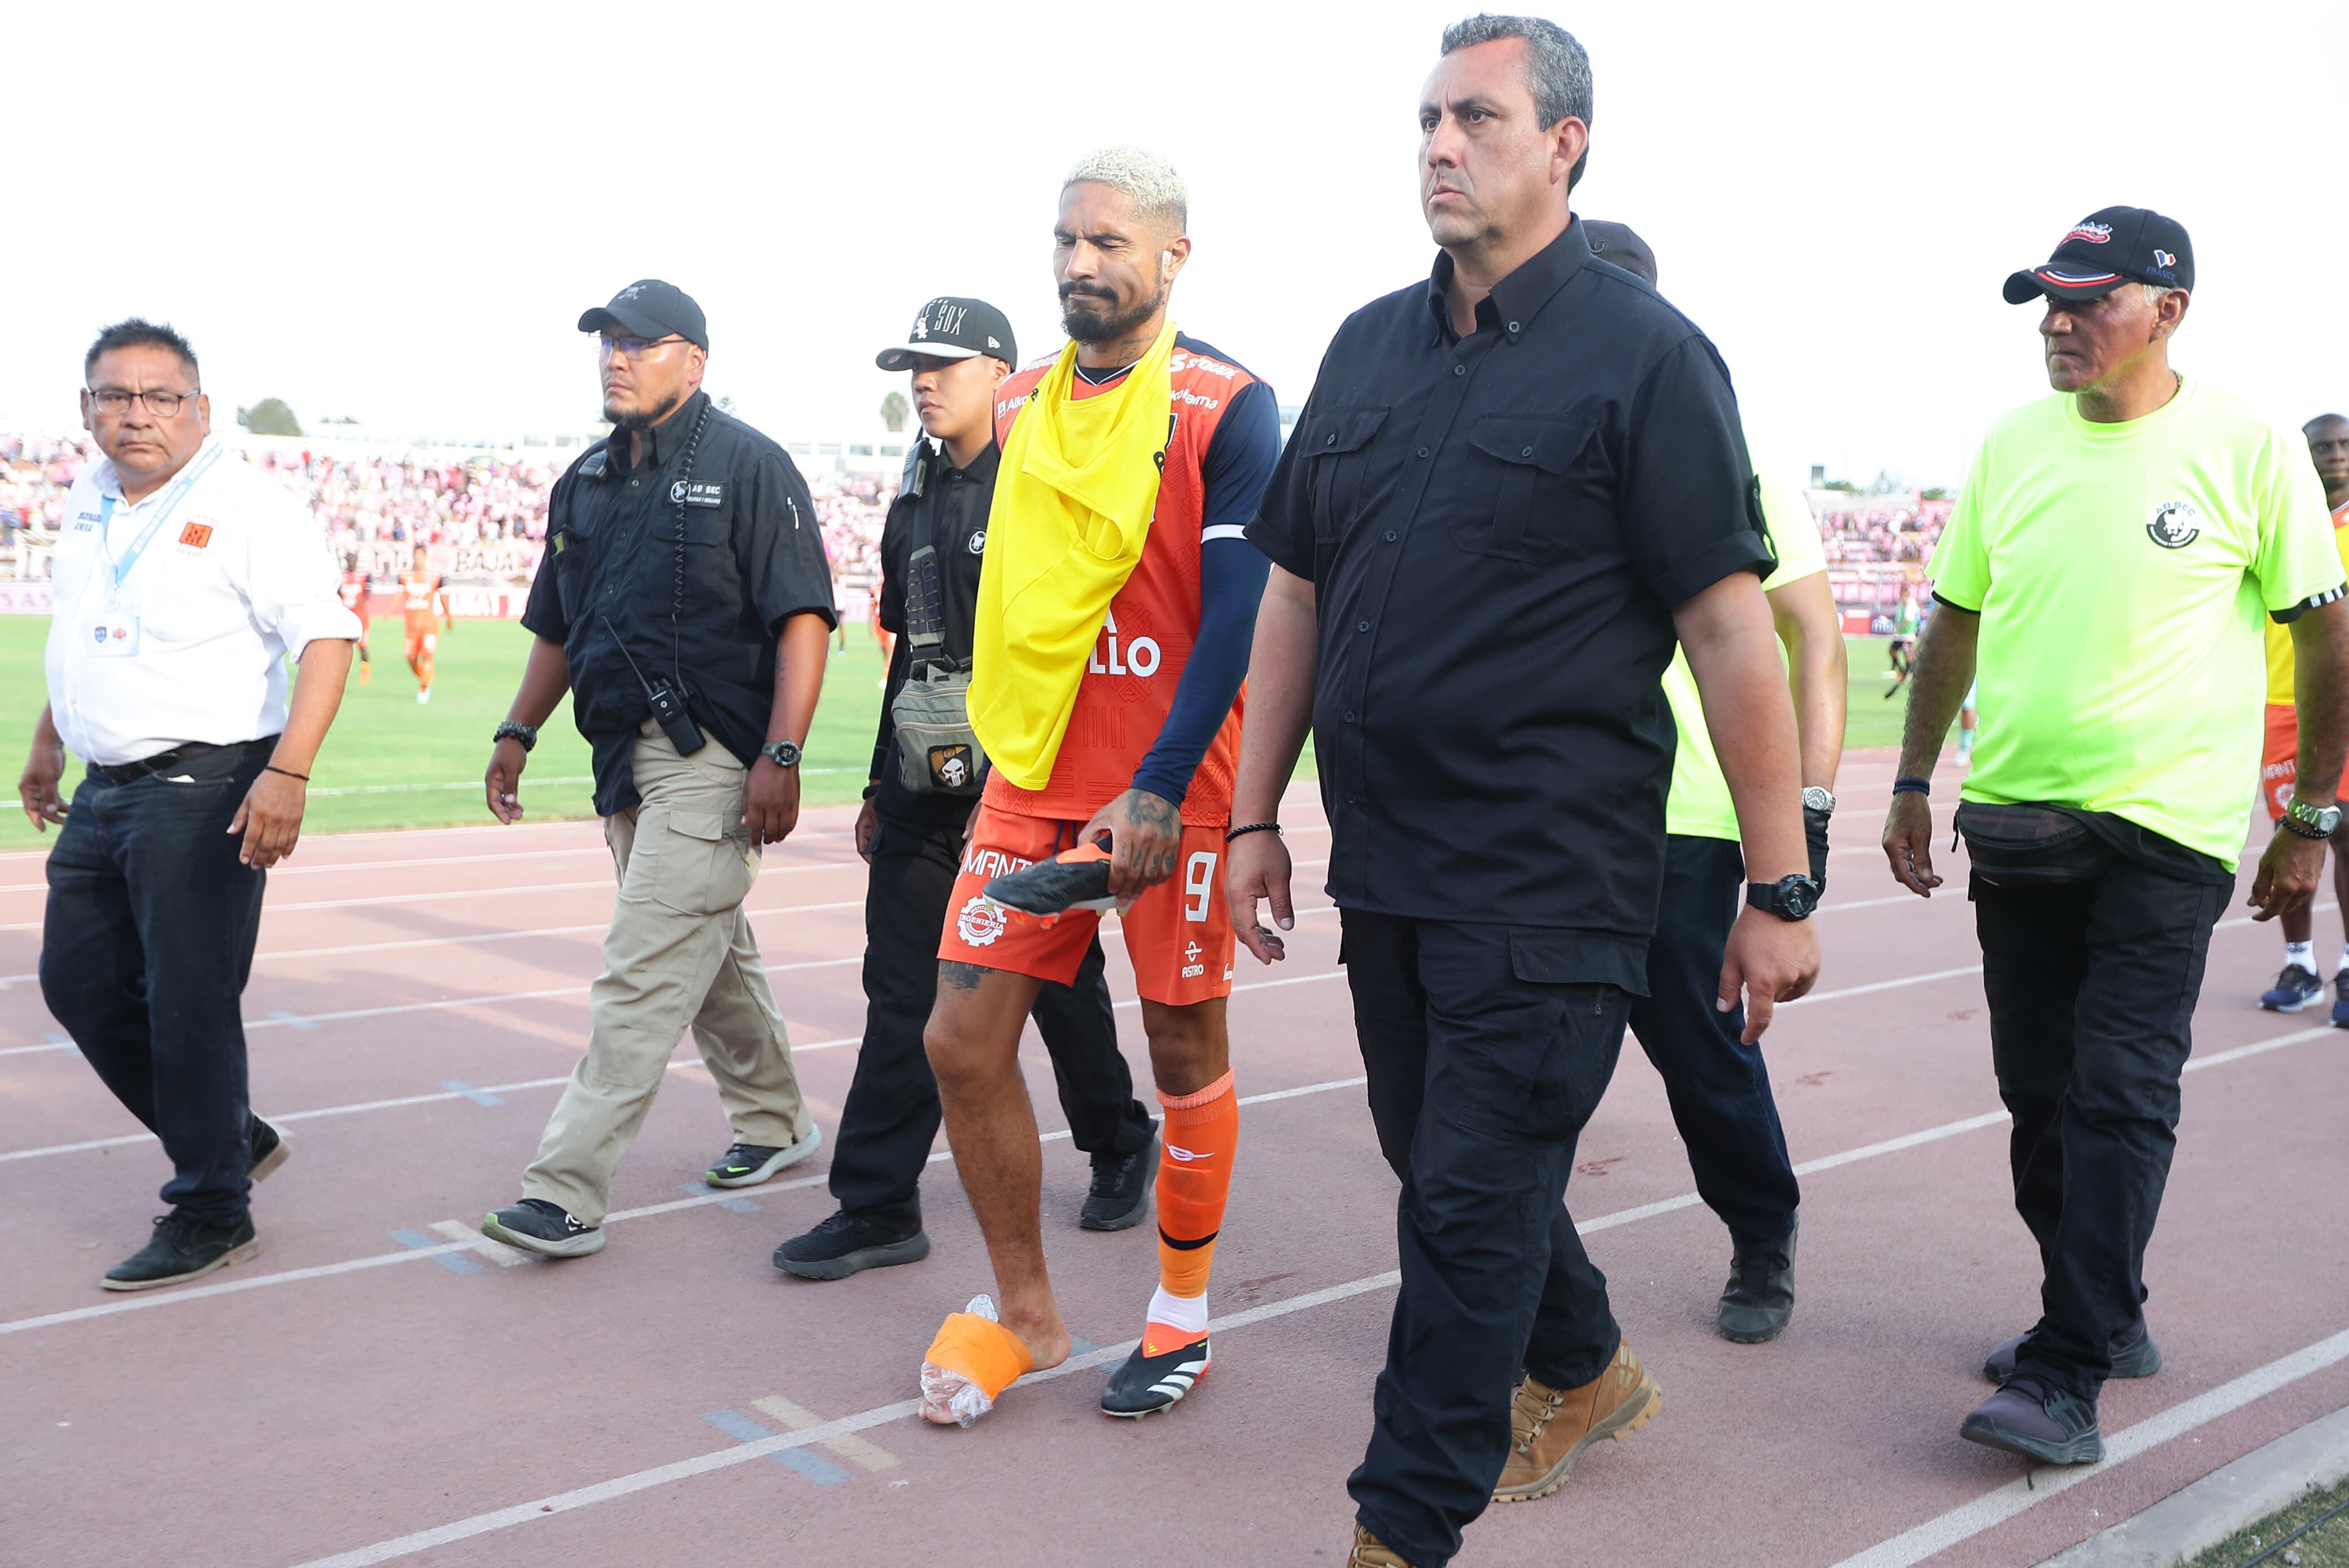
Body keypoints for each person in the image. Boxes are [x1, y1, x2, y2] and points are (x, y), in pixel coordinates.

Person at [1227, 21, 1819, 1566]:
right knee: (1430, 1156)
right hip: (1390, 870)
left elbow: (1732, 632)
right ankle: (1587, 1364)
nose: (1439, 144)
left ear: (1566, 144)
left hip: (1551, 882)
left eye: (1477, 117)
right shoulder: (1363, 347)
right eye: (1427, 118)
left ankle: (1401, 1530)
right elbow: (1293, 591)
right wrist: (1250, 813)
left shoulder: (1650, 358)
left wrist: (1778, 886)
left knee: (1462, 1215)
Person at [1883, 208, 2349, 1466]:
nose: (2058, 321)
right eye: (2048, 300)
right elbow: (1956, 618)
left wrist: (2309, 817)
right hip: (2017, 822)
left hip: (2166, 832)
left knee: (2120, 1089)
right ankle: (2106, 1308)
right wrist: (1913, 781)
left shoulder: (2251, 444)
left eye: (2088, 300)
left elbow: (2323, 633)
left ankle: (2067, 1366)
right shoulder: (2009, 444)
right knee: (2037, 1095)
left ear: (2168, 310)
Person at [913, 147, 1278, 1429]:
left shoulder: (1229, 407)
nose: (1079, 264)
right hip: (1035, 775)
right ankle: (1029, 1310)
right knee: (959, 1041)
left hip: (1171, 782)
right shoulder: (1018, 404)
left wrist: (1163, 786)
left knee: (1181, 1047)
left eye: (1109, 242)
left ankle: (1179, 1312)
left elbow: (1237, 616)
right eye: (1067, 241)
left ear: (1174, 254)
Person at [771, 298, 1157, 1282]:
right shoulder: (913, 495)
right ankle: (876, 1205)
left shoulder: (1041, 482)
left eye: (945, 364)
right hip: (922, 789)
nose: (925, 381)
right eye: (915, 366)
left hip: (1023, 789)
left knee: (1055, 988)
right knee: (901, 993)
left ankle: (1118, 1140)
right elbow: (912, 652)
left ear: (1002, 373)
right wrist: (877, 781)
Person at [477, 280, 834, 1257]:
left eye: (639, 342)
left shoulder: (750, 463)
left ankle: (565, 1191)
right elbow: (558, 624)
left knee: (639, 974)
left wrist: (782, 753)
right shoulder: (585, 480)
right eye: (607, 342)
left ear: (695, 360)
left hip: (711, 757)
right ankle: (777, 1119)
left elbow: (804, 618)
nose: (617, 357)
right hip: (617, 758)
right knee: (707, 954)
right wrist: (517, 730)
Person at [19, 318, 360, 1291]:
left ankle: (213, 1210)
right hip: (103, 787)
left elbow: (327, 639)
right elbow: (87, 625)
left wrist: (288, 774)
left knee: (189, 1001)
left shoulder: (250, 506)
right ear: (86, 409)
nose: (138, 414)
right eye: (116, 396)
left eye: (161, 397)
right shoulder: (88, 494)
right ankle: (230, 1134)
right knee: (77, 983)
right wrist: (49, 738)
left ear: (200, 409)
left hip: (205, 787)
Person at [1584, 219, 1848, 1346]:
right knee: (1513, 1055)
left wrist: (1806, 825)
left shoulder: (1724, 446)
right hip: (1545, 805)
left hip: (1684, 814)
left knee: (1701, 1054)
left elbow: (1813, 638)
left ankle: (1762, 1227)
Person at [2254, 411, 2349, 1015]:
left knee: (2344, 832)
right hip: (2280, 704)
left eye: (2344, 444)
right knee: (2292, 830)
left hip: (2340, 702)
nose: (2334, 454)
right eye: (2322, 446)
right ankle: (2300, 964)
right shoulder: (2280, 521)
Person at [398, 543, 449, 702]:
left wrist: (449, 617)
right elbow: (399, 594)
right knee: (410, 657)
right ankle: (425, 680)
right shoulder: (406, 575)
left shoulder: (435, 575)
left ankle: (424, 688)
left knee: (427, 655)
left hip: (429, 624)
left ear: (426, 556)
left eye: (421, 555)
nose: (418, 558)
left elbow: (443, 596)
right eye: (416, 555)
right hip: (412, 626)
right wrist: (389, 611)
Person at [338, 560, 372, 683]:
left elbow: (368, 595)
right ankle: (341, 670)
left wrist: (356, 604)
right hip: (345, 616)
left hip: (360, 616)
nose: (351, 562)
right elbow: (337, 594)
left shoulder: (364, 576)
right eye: (349, 559)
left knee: (362, 645)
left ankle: (365, 669)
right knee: (342, 644)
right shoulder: (342, 576)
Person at [1886, 591, 1919, 697]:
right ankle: (1902, 670)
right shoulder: (1901, 605)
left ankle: (1909, 672)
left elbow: (1907, 620)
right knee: (1892, 651)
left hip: (1907, 636)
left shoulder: (1911, 605)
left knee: (1908, 655)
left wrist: (1897, 630)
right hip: (1901, 636)